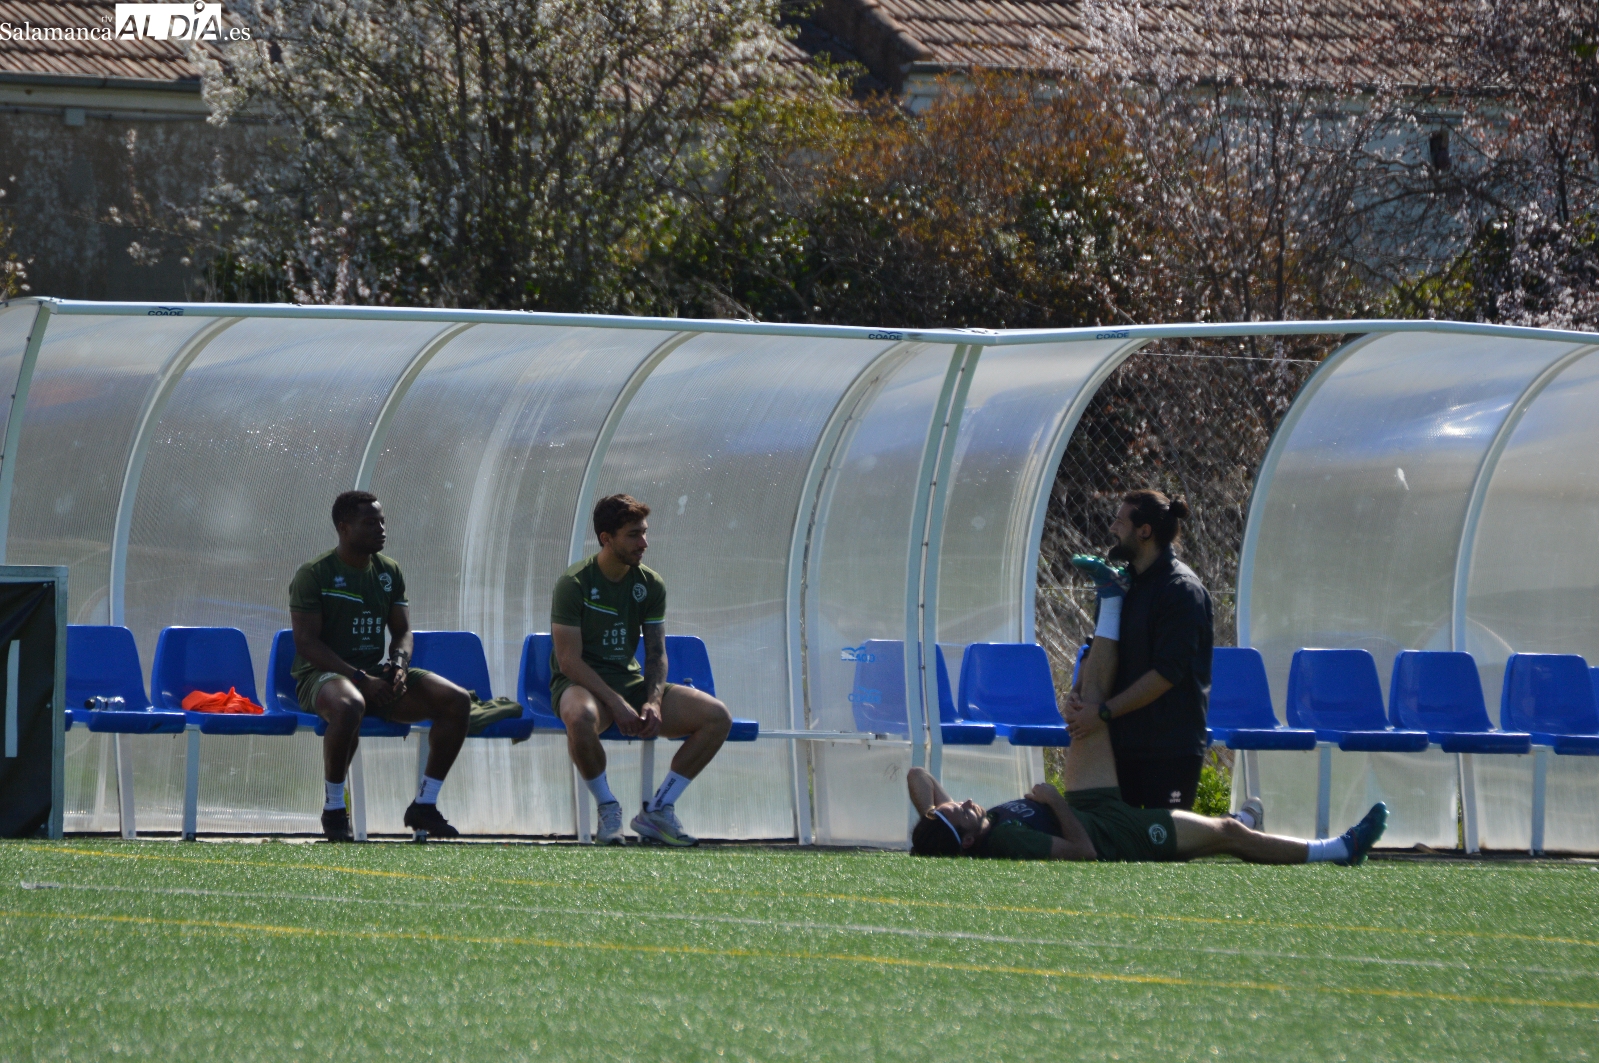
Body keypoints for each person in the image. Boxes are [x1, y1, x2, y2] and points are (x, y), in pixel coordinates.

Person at [907, 608, 1387, 863]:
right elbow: (1084, 853)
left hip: (1089, 804)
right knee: (1229, 836)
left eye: (953, 805)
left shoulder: (971, 831)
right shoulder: (1007, 844)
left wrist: (934, 816)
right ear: (969, 842)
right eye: (959, 813)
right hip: (1114, 833)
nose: (963, 801)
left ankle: (1111, 602)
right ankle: (1338, 850)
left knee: (1086, 711)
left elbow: (918, 775)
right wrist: (1054, 803)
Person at [551, 494, 732, 847]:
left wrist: (653, 701)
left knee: (717, 716)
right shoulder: (573, 584)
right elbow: (569, 661)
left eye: (645, 533)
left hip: (630, 683)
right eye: (634, 535)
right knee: (579, 716)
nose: (644, 543)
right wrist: (616, 703)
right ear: (606, 539)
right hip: (581, 683)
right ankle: (608, 808)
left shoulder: (650, 584)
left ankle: (658, 810)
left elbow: (656, 654)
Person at [290, 491, 471, 842]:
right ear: (344, 528)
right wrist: (359, 677)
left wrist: (399, 667)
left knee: (458, 700)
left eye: (382, 521)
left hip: (374, 674)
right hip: (324, 677)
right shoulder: (314, 574)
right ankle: (333, 809)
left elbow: (402, 631)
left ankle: (425, 805)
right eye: (370, 523)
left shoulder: (389, 572)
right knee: (349, 705)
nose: (381, 529)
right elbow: (307, 644)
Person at [1068, 489, 1214, 813]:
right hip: (1123, 744)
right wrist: (1077, 692)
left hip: (1169, 748)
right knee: (1120, 851)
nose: (1112, 529)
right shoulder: (1122, 586)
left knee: (1166, 851)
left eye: (1120, 521)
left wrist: (1104, 712)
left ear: (1144, 531)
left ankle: (1238, 823)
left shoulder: (1182, 591)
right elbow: (1098, 647)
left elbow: (1166, 675)